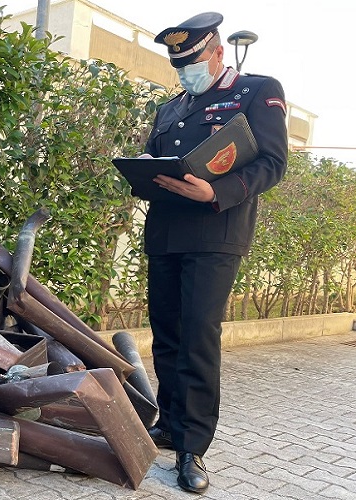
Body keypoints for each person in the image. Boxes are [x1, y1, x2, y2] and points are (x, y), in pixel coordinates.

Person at [141, 11, 288, 494]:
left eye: (193, 61)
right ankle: (169, 424)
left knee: (198, 339)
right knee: (167, 335)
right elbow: (157, 156)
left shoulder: (255, 91)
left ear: (218, 52)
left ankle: (193, 447)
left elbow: (272, 163)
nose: (185, 73)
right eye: (178, 66)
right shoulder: (171, 108)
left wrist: (218, 192)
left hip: (214, 232)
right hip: (165, 233)